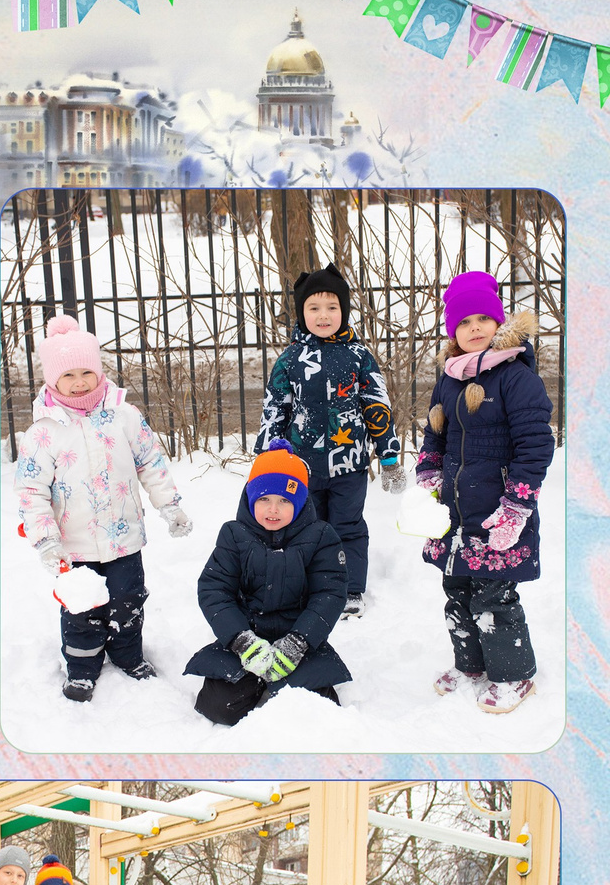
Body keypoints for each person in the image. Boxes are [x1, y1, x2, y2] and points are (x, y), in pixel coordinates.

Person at [12, 314, 191, 701]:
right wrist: (45, 539)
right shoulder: (43, 431)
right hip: (73, 545)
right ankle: (82, 667)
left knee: (129, 600)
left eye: (86, 372)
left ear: (99, 371)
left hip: (125, 538)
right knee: (81, 609)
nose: (79, 383)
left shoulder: (125, 416)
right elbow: (31, 490)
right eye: (68, 376)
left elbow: (151, 462)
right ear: (52, 380)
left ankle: (128, 656)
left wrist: (170, 506)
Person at [415, 270, 553, 714]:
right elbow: (435, 432)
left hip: (496, 512)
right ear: (453, 331)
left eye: (483, 319)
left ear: (499, 323)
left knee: (494, 595)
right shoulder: (449, 378)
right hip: (455, 513)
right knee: (456, 589)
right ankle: (470, 665)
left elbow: (536, 444)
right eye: (464, 323)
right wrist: (428, 471)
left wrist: (517, 505)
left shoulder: (515, 377)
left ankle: (515, 676)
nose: (474, 329)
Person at [257, 263, 404, 618]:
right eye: (314, 307)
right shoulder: (290, 361)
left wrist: (388, 457)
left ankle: (350, 588)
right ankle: (311, 586)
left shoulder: (358, 357)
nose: (323, 315)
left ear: (344, 311)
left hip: (349, 464)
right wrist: (266, 461)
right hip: (301, 468)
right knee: (306, 528)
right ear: (301, 312)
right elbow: (275, 409)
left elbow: (376, 406)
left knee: (348, 527)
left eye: (332, 307)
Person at [184, 442, 351, 727]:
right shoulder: (234, 535)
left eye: (285, 500)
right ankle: (252, 680)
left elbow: (329, 593)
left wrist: (298, 642)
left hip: (300, 640)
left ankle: (283, 681)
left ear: (299, 502)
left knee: (313, 711)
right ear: (250, 498)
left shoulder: (321, 536)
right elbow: (215, 590)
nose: (273, 509)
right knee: (219, 707)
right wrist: (241, 640)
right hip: (248, 636)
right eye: (264, 499)